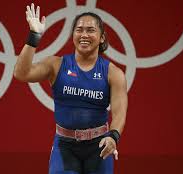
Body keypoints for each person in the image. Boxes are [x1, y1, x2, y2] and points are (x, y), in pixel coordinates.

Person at [14, 3, 128, 174]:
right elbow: (21, 73)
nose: (84, 34)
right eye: (79, 30)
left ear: (102, 37)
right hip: (64, 147)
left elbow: (119, 113)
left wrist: (113, 137)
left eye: (90, 30)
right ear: (72, 35)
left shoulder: (114, 73)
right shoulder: (56, 65)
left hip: (99, 147)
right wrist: (34, 36)